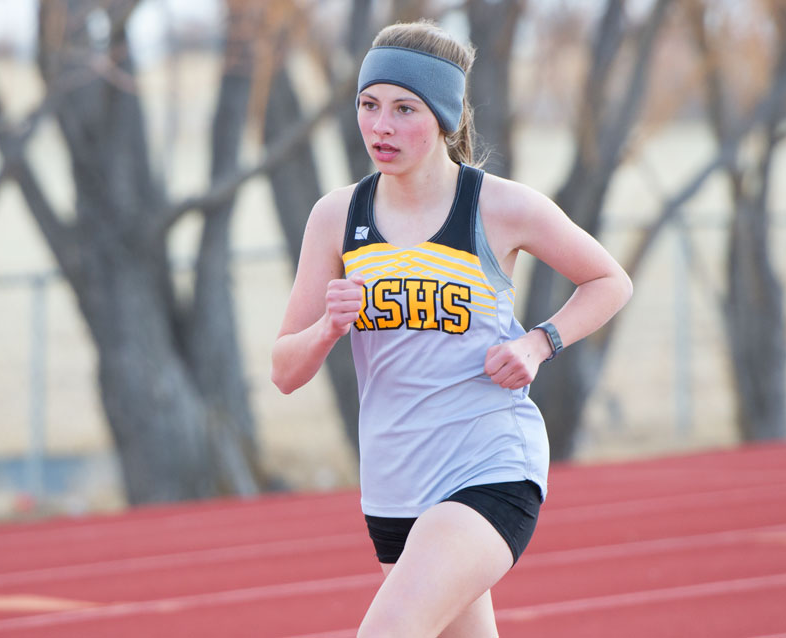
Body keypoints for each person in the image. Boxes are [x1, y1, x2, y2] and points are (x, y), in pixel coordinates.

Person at [271, 20, 632, 638]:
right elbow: (283, 370)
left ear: (442, 116)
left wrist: (537, 343)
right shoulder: (338, 217)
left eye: (403, 109)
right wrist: (328, 329)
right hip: (393, 483)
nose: (380, 127)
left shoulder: (498, 207)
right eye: (368, 105)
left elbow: (609, 281)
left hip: (488, 466)